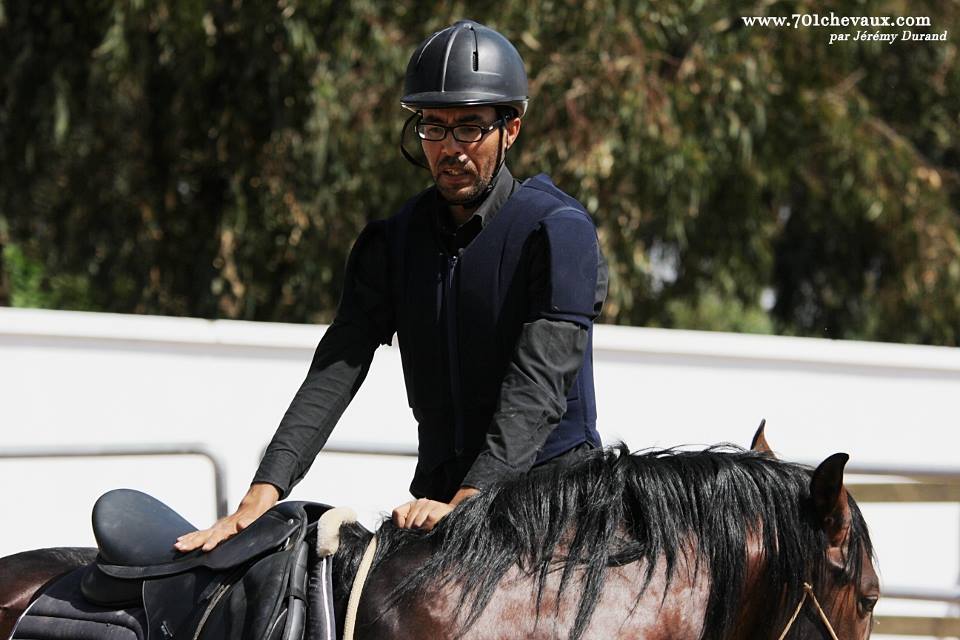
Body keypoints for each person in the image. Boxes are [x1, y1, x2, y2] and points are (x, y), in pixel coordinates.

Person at [176, 19, 607, 553]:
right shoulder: (395, 240)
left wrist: (470, 502)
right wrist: (258, 498)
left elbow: (538, 386)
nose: (450, 149)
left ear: (510, 128)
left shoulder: (557, 232)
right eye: (433, 127)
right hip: (438, 505)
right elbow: (336, 368)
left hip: (559, 509)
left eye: (470, 128)